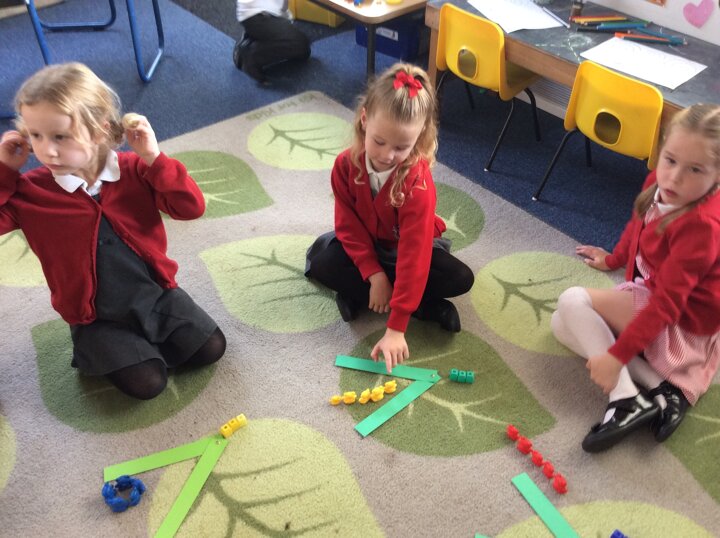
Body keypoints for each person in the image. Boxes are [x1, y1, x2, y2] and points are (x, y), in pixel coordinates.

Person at [0, 63, 226, 400]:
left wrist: (154, 158)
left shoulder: (135, 170)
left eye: (60, 136)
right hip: (97, 317)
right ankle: (105, 349)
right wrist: (4, 171)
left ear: (99, 130)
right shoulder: (29, 193)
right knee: (148, 384)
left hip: (156, 295)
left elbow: (190, 208)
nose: (46, 150)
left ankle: (143, 346)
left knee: (212, 348)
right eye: (35, 136)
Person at [551, 103, 720, 452]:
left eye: (695, 169)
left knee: (572, 300)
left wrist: (615, 359)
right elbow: (638, 224)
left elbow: (666, 305)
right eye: (670, 160)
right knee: (560, 325)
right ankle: (660, 388)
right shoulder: (658, 182)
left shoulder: (703, 225)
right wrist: (613, 259)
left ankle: (626, 397)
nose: (674, 177)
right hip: (656, 294)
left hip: (682, 321)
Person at [305, 63, 475, 374]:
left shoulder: (417, 184)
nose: (386, 155)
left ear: (419, 138)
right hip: (365, 246)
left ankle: (404, 304)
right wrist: (375, 275)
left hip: (405, 251)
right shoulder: (345, 165)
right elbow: (348, 226)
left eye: (401, 147)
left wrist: (396, 328)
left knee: (460, 277)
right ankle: (411, 302)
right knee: (321, 264)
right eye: (379, 141)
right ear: (364, 120)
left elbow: (414, 254)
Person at [233, 0, 311, 84]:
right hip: (257, 14)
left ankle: (248, 42)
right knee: (300, 45)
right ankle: (251, 57)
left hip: (260, 12)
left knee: (303, 49)